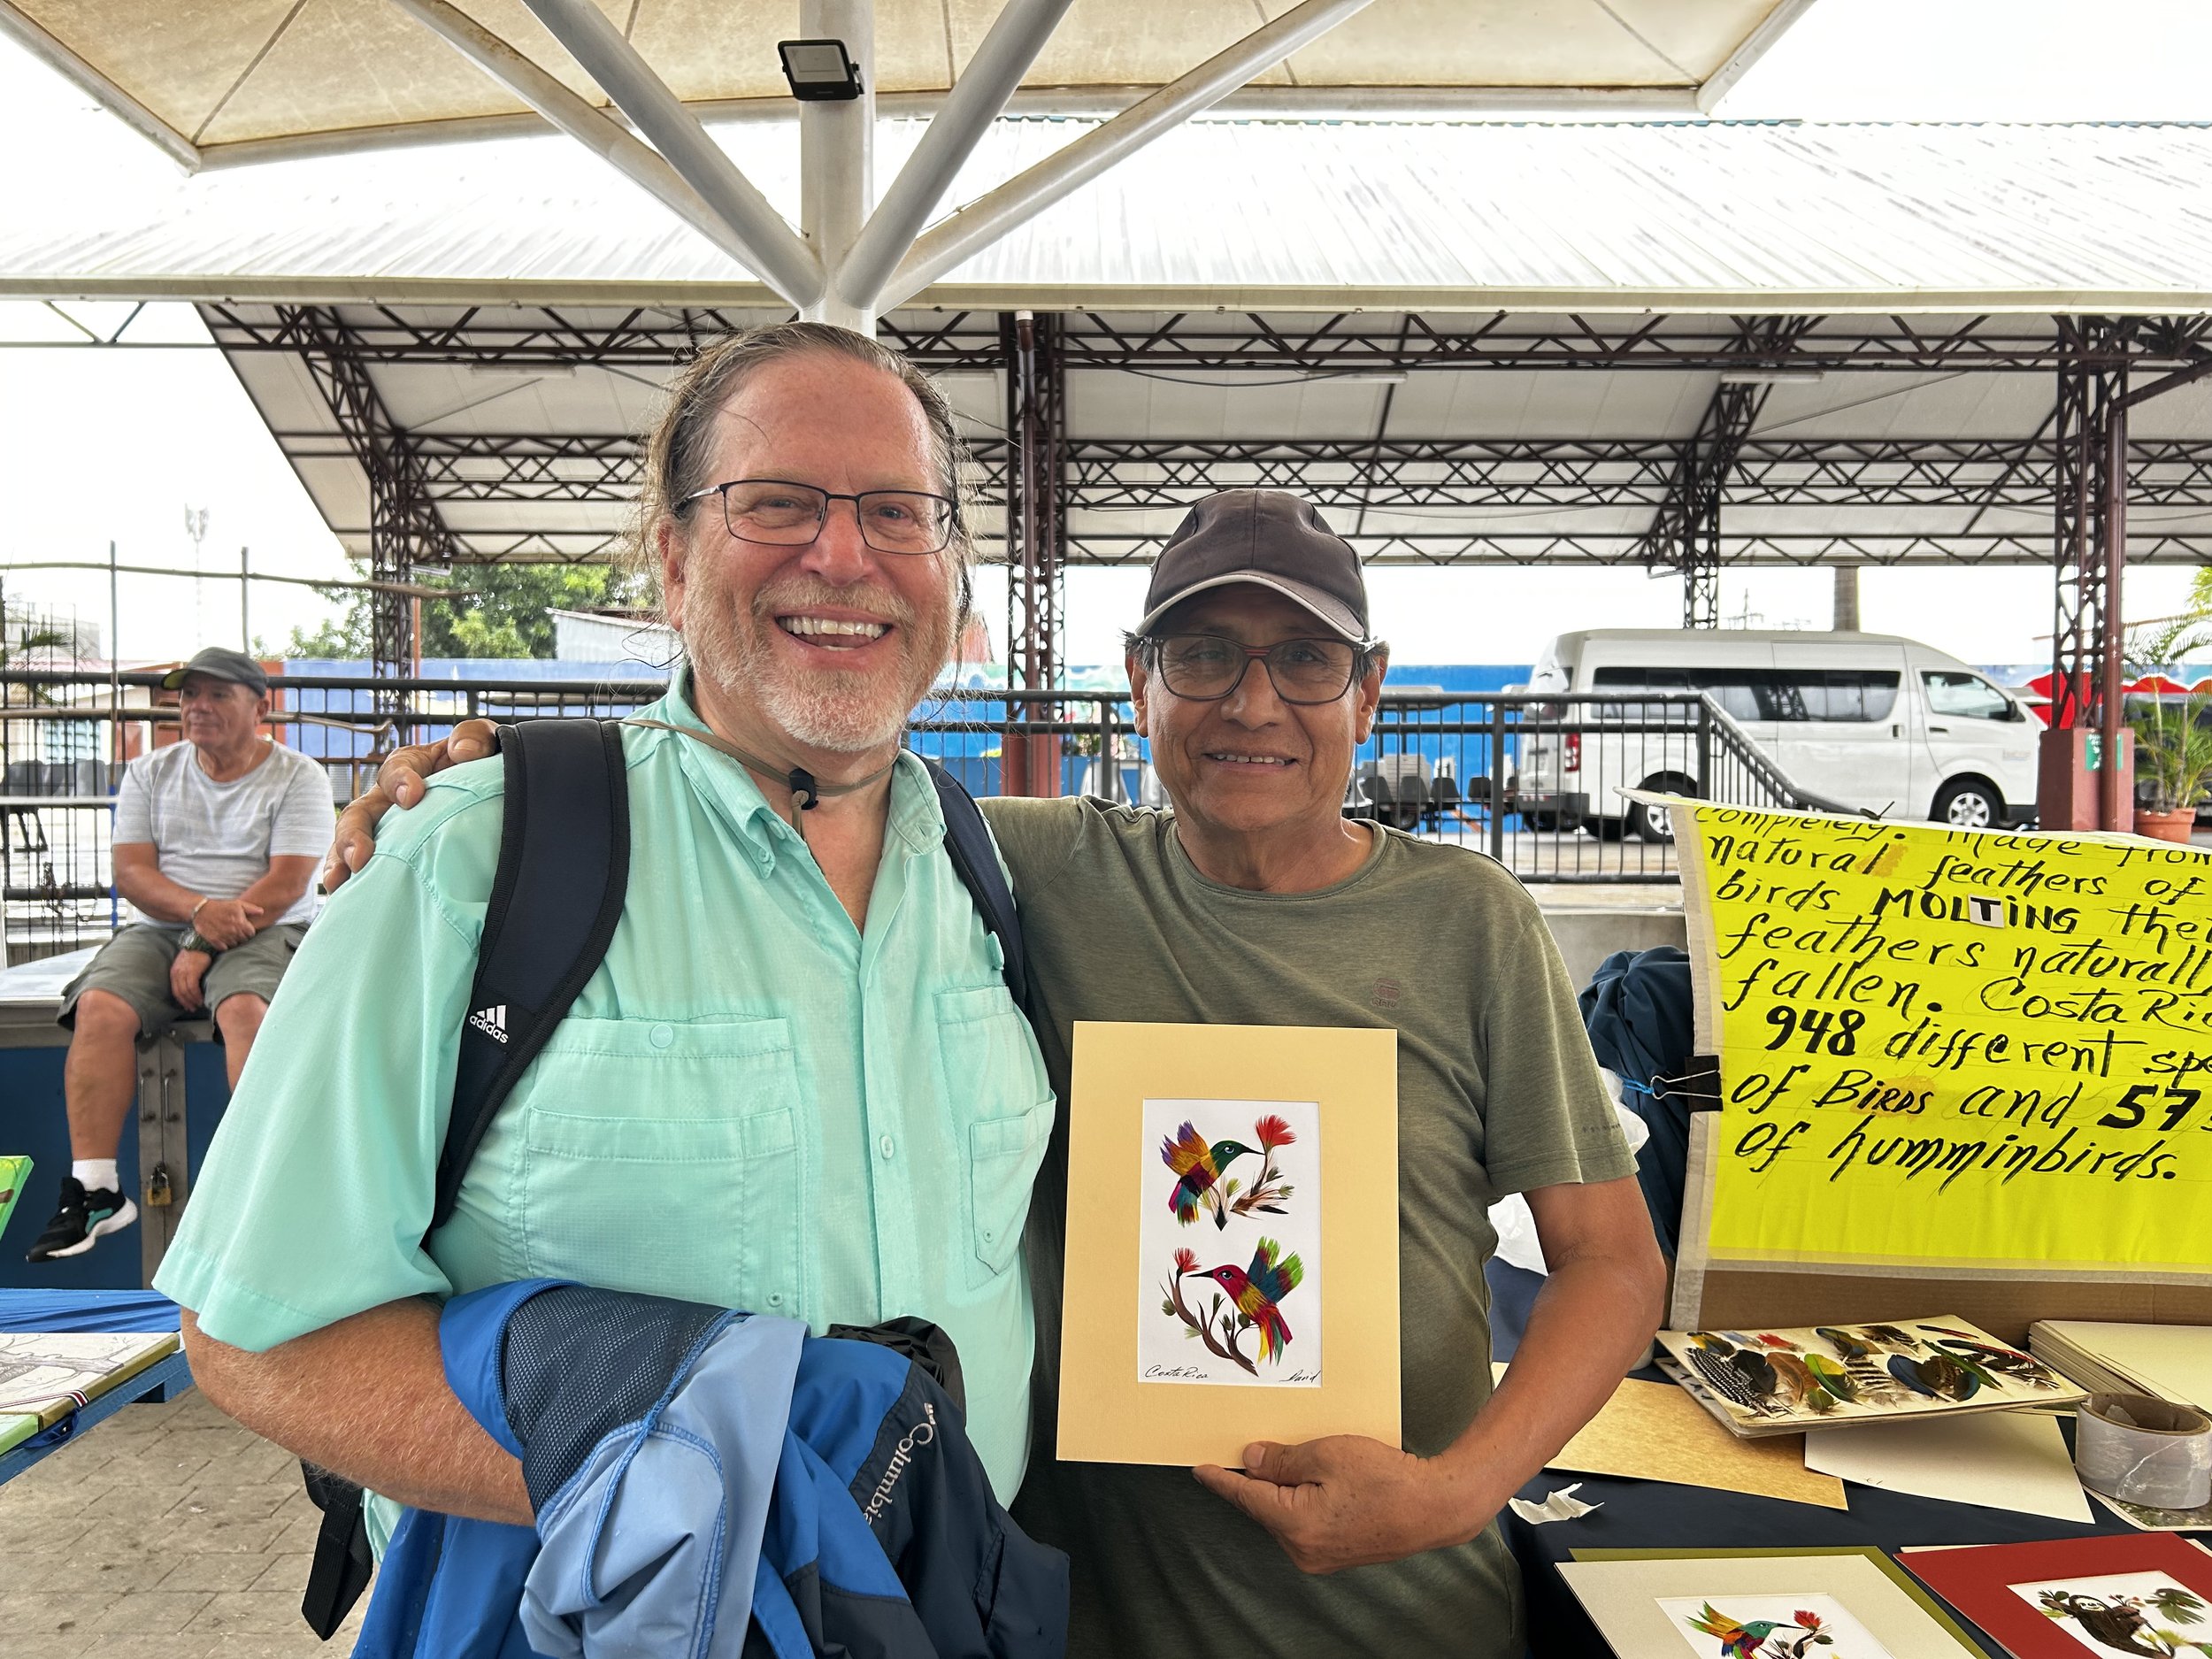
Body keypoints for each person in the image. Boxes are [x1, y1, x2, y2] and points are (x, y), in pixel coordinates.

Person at [341, 488, 1669, 1657]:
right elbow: (773, 762)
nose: (1253, 701)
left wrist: (1458, 1489)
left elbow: (1610, 1263)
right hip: (1079, 1614)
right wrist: (506, 778)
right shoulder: (1016, 861)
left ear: (1367, 691)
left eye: (1306, 660)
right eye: (1203, 654)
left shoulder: (1469, 922)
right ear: (1139, 681)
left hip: (1403, 1616)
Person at [152, 324, 1056, 1567]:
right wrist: (700, 1486)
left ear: (950, 566)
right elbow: (257, 1331)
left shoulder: (986, 866)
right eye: (778, 503)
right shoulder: (467, 859)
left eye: (899, 512)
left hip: (958, 1613)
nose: (845, 555)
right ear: (675, 564)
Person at [28, 646, 327, 1263]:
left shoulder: (299, 776)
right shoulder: (150, 772)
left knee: (245, 1010)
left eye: (218, 694)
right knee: (100, 1006)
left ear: (260, 707)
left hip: (265, 925)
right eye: (190, 694)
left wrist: (201, 940)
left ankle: (268, 1187)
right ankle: (96, 1189)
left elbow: (287, 883)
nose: (198, 706)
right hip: (167, 924)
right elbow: (133, 873)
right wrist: (197, 915)